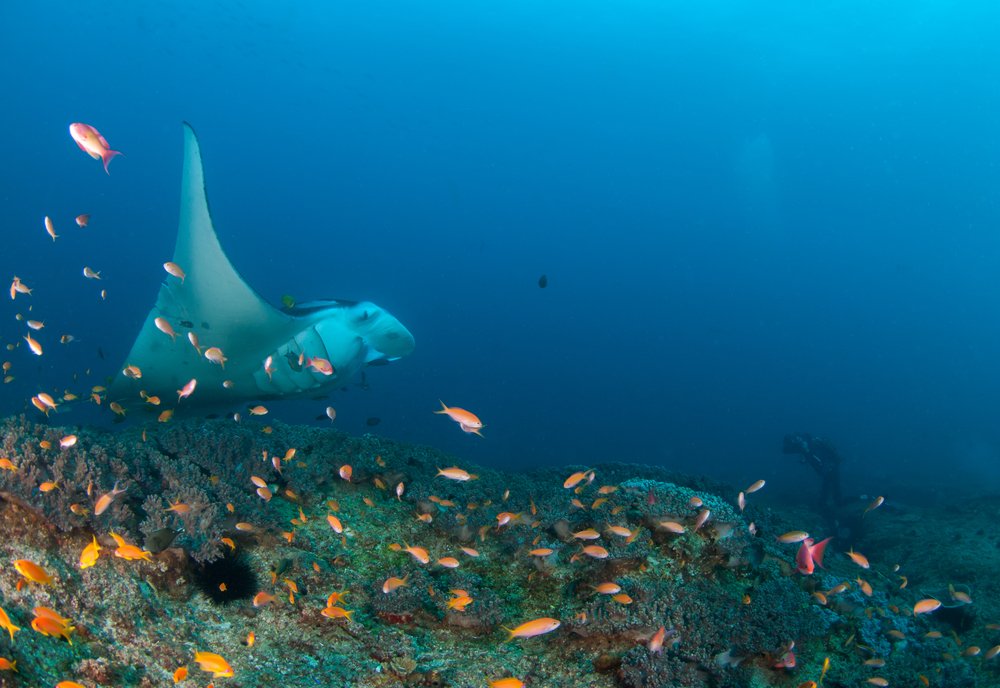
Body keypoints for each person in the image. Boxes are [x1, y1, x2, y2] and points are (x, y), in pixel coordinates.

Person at [782, 433, 851, 512]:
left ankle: (863, 497)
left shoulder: (813, 449)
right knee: (826, 501)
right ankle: (831, 515)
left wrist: (807, 452)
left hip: (831, 472)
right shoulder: (805, 447)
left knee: (838, 502)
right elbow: (786, 450)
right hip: (827, 474)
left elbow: (819, 463)